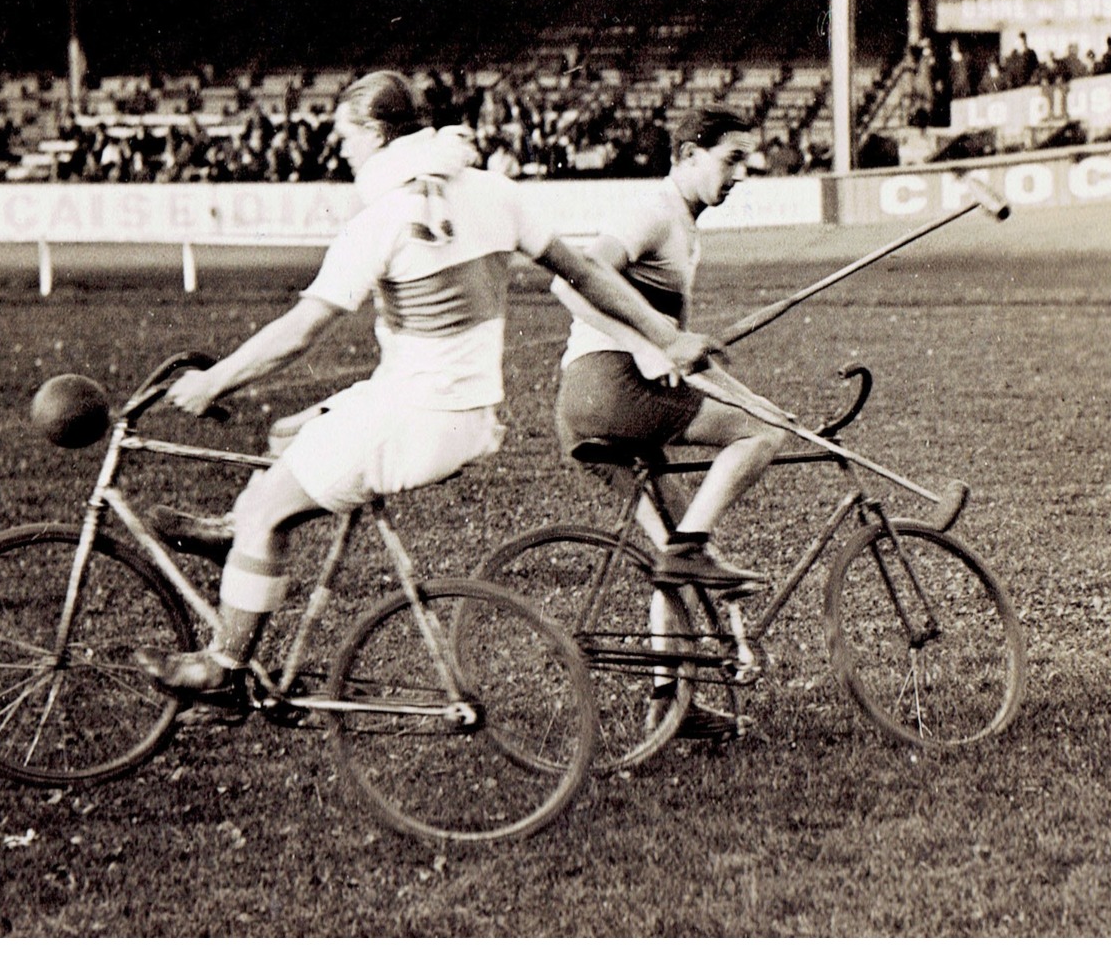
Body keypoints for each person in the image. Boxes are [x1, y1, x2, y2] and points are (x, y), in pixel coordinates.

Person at [134, 70, 719, 693]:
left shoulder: (383, 216)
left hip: (414, 415)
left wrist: (214, 382)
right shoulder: (494, 191)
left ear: (374, 131)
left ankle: (223, 668)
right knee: (288, 432)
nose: (342, 149)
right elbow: (587, 274)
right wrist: (668, 336)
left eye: (345, 135)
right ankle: (234, 534)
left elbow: (302, 330)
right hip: (460, 411)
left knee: (270, 516)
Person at [550, 106, 788, 589]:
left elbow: (680, 354)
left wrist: (747, 398)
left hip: (593, 399)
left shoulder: (683, 224)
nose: (741, 174)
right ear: (689, 154)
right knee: (760, 435)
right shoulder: (654, 212)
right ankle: (690, 549)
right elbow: (570, 284)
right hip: (610, 387)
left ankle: (671, 662)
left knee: (674, 561)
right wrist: (639, 346)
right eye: (731, 160)